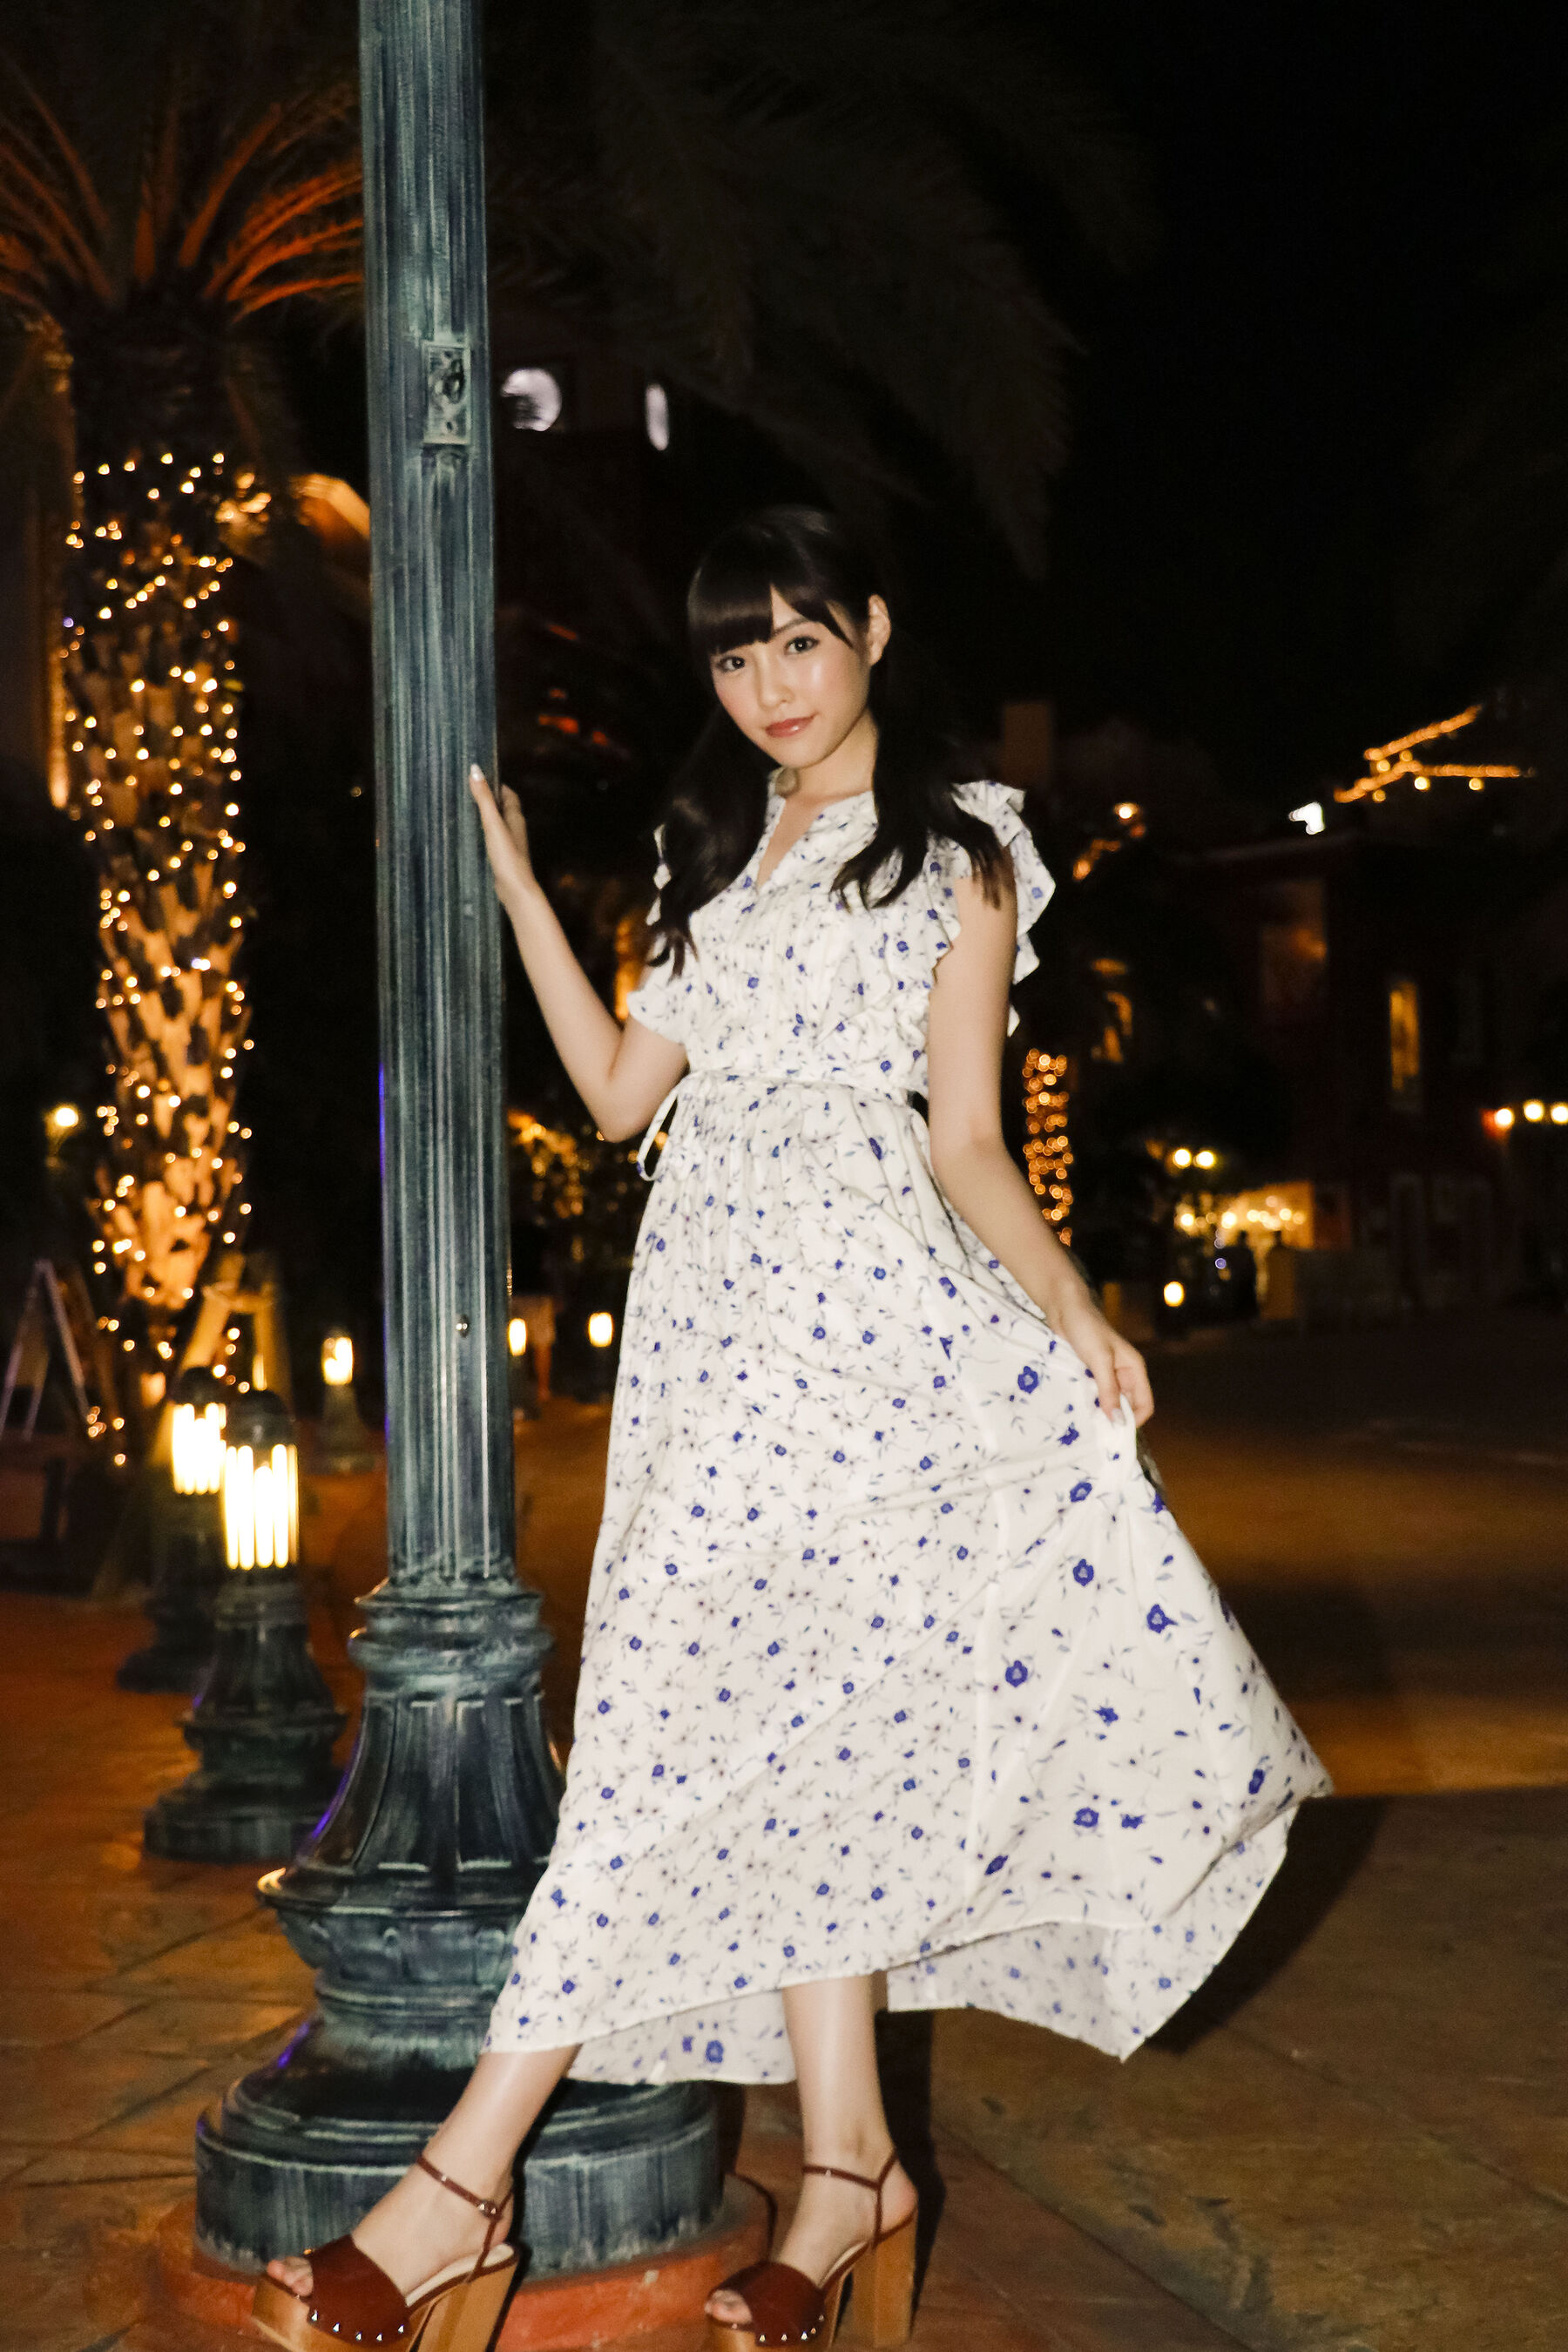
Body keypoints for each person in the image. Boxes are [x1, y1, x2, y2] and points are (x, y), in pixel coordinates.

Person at [253, 507, 1328, 2352]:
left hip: (874, 1346)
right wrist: (524, 898)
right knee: (757, 1738)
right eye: (736, 656)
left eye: (799, 643)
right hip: (710, 1354)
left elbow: (967, 1138)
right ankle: (851, 2174)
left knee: (673, 1746)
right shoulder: (713, 857)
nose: (769, 686)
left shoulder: (960, 852)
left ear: (875, 632)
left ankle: (456, 2191)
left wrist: (1077, 1308)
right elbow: (618, 1097)